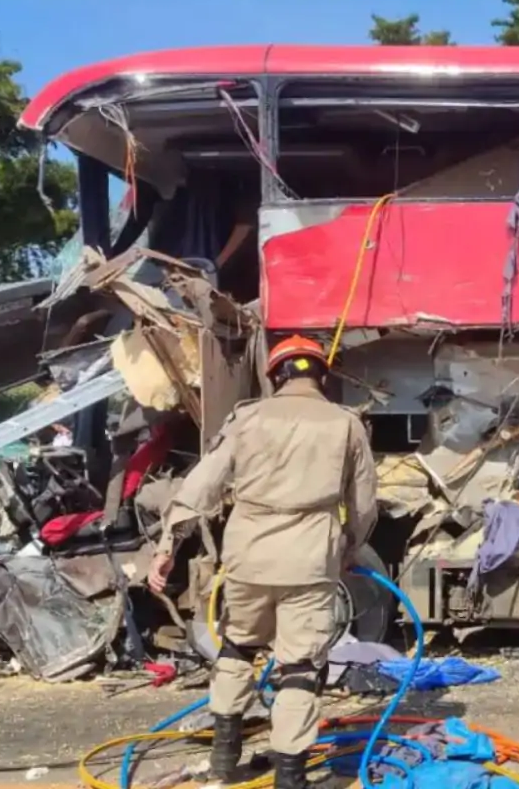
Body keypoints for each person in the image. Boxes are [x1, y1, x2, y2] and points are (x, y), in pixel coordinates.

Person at [148, 335, 377, 789]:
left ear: (275, 376)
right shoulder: (345, 424)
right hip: (310, 558)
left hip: (249, 556)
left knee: (238, 649)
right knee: (300, 667)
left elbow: (202, 484)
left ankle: (221, 767)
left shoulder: (247, 418)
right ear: (322, 375)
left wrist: (166, 546)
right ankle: (289, 779)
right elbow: (365, 503)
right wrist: (350, 547)